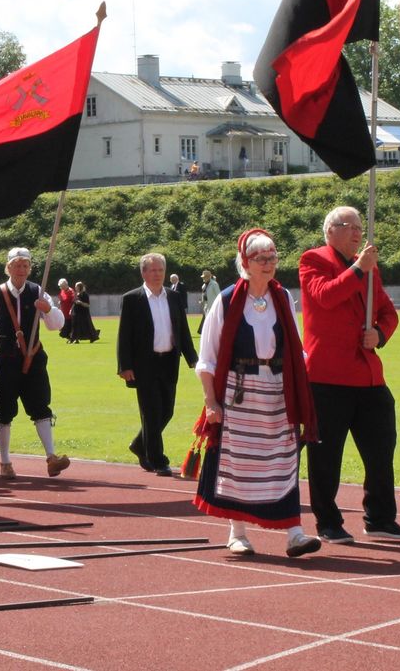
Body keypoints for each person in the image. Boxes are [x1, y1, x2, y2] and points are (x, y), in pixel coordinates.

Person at [193, 229, 321, 558]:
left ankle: (294, 533)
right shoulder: (225, 300)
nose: (268, 264)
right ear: (245, 263)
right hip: (240, 393)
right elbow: (207, 358)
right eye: (260, 258)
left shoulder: (283, 298)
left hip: (279, 392)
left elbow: (296, 346)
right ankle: (237, 533)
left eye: (272, 257)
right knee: (238, 464)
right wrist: (211, 402)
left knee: (284, 458)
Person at [300, 206, 400, 543]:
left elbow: (387, 312)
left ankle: (379, 517)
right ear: (330, 230)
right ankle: (328, 521)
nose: (357, 232)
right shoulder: (314, 259)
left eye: (360, 226)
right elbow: (325, 296)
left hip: (367, 375)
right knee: (326, 455)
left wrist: (379, 333)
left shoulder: (369, 267)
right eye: (349, 226)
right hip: (328, 375)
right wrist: (357, 270)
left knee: (381, 447)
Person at [0, 246, 70, 479]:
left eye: (25, 265)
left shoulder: (38, 292)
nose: (21, 269)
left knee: (41, 406)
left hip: (34, 360)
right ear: (8, 267)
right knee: (4, 411)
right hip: (6, 361)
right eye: (17, 265)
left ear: (30, 268)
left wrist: (48, 309)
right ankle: (5, 462)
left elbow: (57, 324)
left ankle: (51, 458)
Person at [116, 253, 198, 475]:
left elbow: (182, 330)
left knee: (167, 411)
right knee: (151, 412)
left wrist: (193, 358)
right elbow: (124, 335)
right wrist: (124, 366)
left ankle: (139, 445)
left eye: (160, 270)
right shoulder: (132, 299)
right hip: (145, 364)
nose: (157, 274)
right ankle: (157, 459)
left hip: (169, 361)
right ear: (143, 273)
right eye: (152, 270)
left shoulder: (173, 297)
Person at [199, 269, 221, 334]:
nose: (203, 278)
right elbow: (204, 295)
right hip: (206, 306)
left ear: (208, 277)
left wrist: (218, 305)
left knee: (213, 322)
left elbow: (219, 295)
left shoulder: (214, 284)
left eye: (204, 277)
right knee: (207, 321)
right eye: (203, 277)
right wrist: (202, 301)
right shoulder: (204, 285)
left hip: (213, 306)